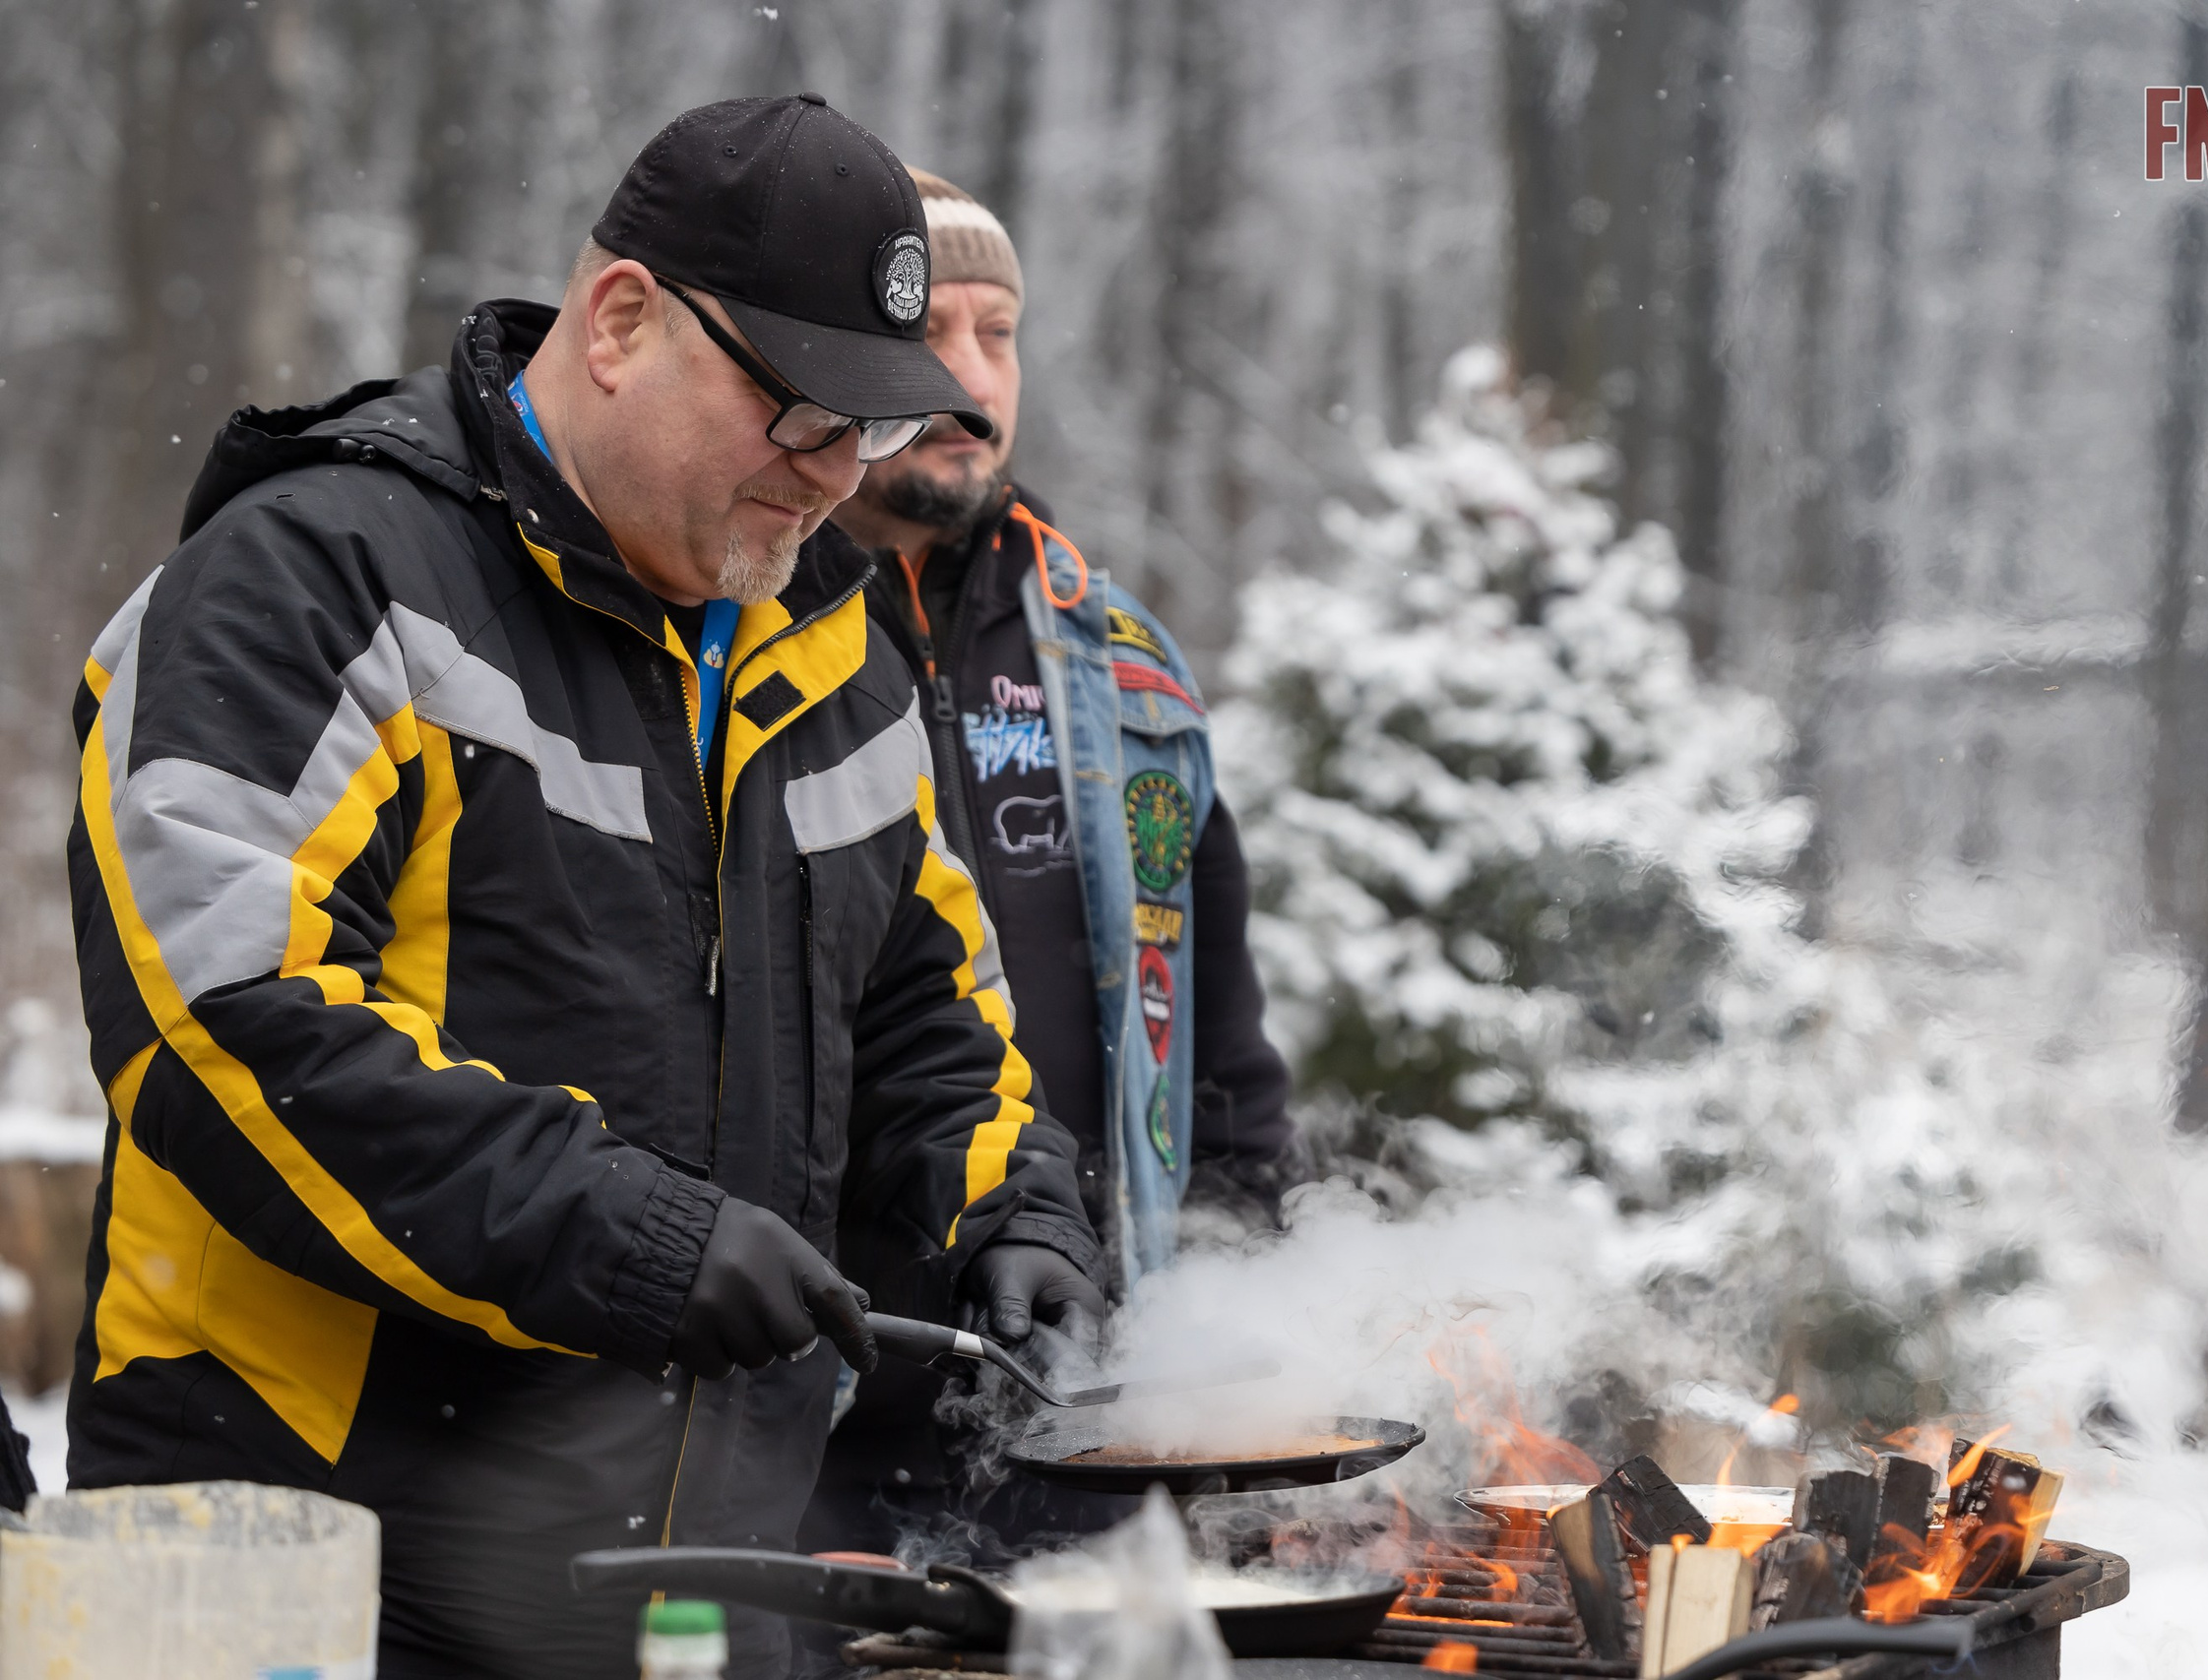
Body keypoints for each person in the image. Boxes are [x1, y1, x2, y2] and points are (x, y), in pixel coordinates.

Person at [63, 95, 1100, 1680]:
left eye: (875, 431)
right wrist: (631, 1239)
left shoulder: (835, 655)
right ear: (620, 323)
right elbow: (222, 1023)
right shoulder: (314, 573)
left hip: (679, 1585)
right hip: (289, 1567)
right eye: (804, 413)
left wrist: (1012, 1213)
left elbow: (928, 1016)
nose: (838, 477)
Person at [797, 168, 1302, 1561]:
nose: (971, 378)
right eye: (927, 333)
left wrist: (1243, 1317)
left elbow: (1220, 1061)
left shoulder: (1123, 665)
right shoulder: (730, 632)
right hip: (797, 1415)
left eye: (999, 333)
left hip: (1081, 1411)